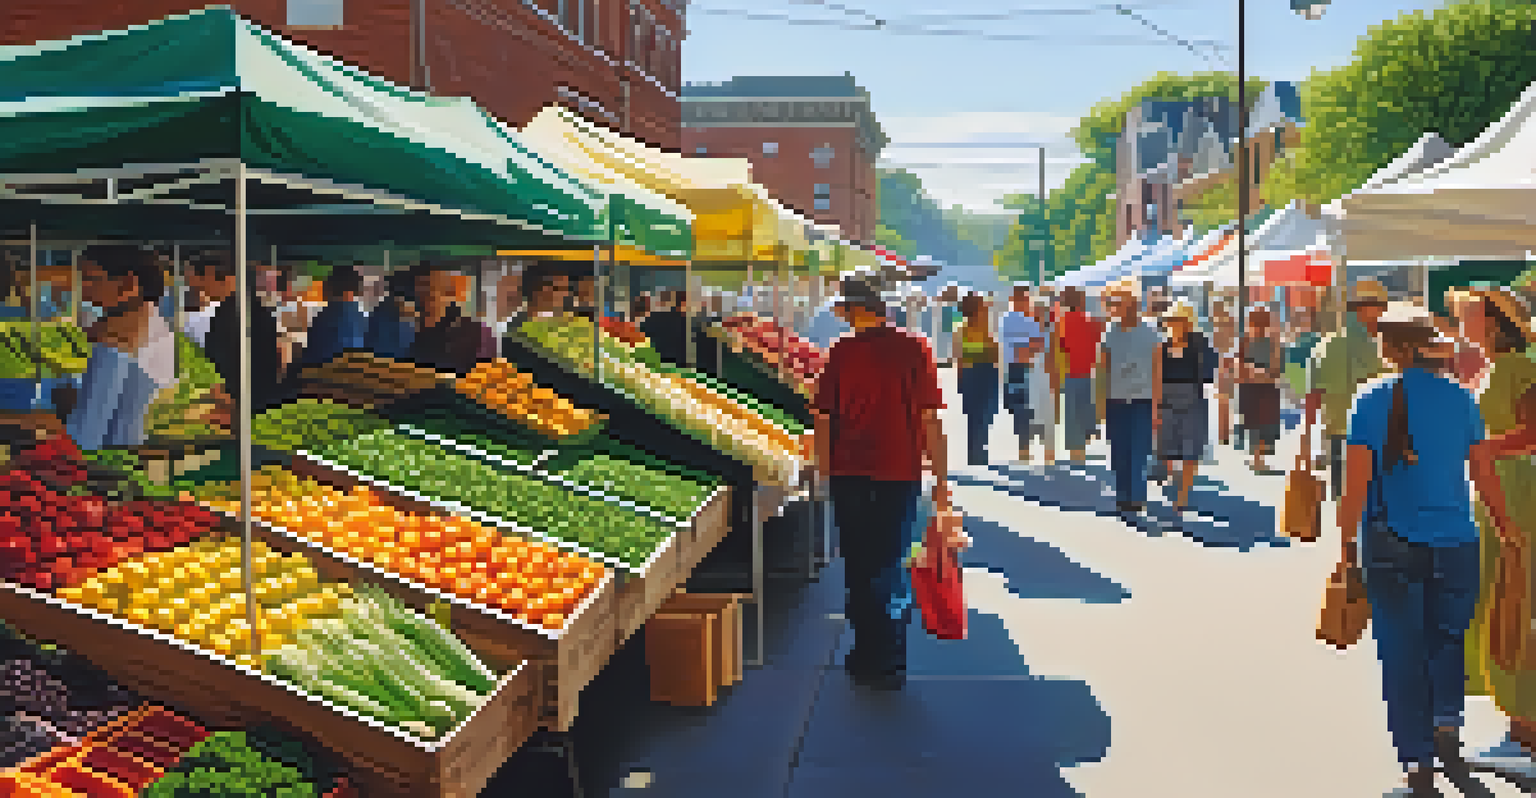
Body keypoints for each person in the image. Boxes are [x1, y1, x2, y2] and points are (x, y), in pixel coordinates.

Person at [1336, 302, 1486, 796]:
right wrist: (1506, 526)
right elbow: (1481, 472)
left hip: (1390, 540)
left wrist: (1345, 551)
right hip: (1457, 541)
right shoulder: (1462, 400)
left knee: (1401, 651)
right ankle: (1446, 728)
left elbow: (1353, 487)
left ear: (1391, 349)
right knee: (1448, 639)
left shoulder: (1371, 398)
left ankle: (1417, 763)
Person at [813, 275, 955, 691]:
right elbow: (930, 418)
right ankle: (890, 658)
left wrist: (823, 472)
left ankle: (865, 652)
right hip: (900, 471)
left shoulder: (840, 353)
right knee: (892, 563)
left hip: (849, 473)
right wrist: (941, 478)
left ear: (855, 310)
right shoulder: (915, 348)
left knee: (858, 563)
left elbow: (823, 420)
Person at [1456, 287, 1536, 760]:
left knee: (1513, 598)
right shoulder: (1494, 368)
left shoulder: (1516, 368)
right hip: (1496, 492)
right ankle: (1517, 726)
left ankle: (1525, 732)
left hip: (1514, 492)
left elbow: (1532, 433)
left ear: (1493, 323)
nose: (1463, 320)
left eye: (1470, 314)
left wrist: (1484, 449)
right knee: (1498, 599)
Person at [66, 246, 178, 449]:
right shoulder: (159, 327)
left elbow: (88, 431)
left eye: (90, 278)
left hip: (114, 459)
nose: (82, 288)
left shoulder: (117, 336)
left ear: (128, 284)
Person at [1305, 279, 1389, 500]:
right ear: (1368, 309)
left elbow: (1313, 397)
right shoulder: (1384, 348)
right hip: (1374, 436)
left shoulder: (1324, 346)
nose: (1384, 313)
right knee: (1373, 503)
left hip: (1337, 435)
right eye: (1382, 306)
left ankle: (1348, 533)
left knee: (1344, 501)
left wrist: (1306, 440)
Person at [1097, 280, 1161, 514]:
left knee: (1139, 450)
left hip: (1142, 401)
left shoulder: (1151, 332)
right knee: (1119, 450)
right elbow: (1102, 369)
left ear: (1132, 305)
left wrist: (1157, 406)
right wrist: (1101, 405)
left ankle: (1136, 496)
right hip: (1116, 400)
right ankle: (1123, 495)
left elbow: (1157, 369)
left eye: (1120, 303)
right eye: (1115, 304)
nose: (1115, 308)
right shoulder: (1110, 332)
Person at [201, 250, 284, 417]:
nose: (202, 286)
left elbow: (218, 362)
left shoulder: (228, 313)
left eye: (204, 278)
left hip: (236, 403)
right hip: (260, 400)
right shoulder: (260, 309)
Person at [1157, 302, 1216, 515]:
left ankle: (1183, 496)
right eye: (1170, 321)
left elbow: (1210, 372)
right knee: (1167, 450)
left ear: (1187, 323)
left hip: (1192, 401)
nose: (1173, 326)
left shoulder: (1199, 345)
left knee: (1191, 451)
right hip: (1167, 401)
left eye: (1177, 321)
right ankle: (1174, 481)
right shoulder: (1162, 347)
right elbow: (1156, 376)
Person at [407, 262, 492, 376]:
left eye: (435, 288)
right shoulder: (410, 326)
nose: (428, 295)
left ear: (450, 292)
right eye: (423, 289)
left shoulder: (470, 328)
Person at [999, 285, 1046, 464]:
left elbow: (1033, 344)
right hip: (1025, 368)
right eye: (1026, 299)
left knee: (1019, 407)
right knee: (1024, 407)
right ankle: (1025, 447)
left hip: (1014, 368)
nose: (1029, 303)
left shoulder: (1007, 319)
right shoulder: (1023, 320)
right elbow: (1038, 343)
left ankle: (1024, 446)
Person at [953, 291, 999, 466]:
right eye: (982, 306)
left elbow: (995, 354)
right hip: (974, 374)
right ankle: (975, 452)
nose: (985, 308)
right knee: (975, 414)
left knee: (986, 413)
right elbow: (959, 358)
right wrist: (960, 379)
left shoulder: (986, 328)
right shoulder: (962, 330)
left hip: (985, 373)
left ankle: (979, 449)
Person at [1058, 287, 1102, 463]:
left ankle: (1077, 454)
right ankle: (1084, 442)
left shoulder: (1062, 322)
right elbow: (1100, 345)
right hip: (1090, 372)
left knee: (1072, 414)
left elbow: (1060, 349)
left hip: (1070, 373)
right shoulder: (1092, 321)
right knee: (1086, 411)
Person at [1238, 306, 1284, 473]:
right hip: (1259, 389)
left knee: (1260, 424)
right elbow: (1240, 368)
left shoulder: (1269, 343)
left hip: (1259, 389)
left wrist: (1254, 373)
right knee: (1258, 424)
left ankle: (1258, 458)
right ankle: (1258, 458)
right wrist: (1262, 374)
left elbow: (1276, 370)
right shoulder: (1269, 343)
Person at [301, 265, 368, 368]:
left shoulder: (323, 318)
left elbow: (311, 356)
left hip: (323, 378)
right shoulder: (363, 319)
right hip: (356, 377)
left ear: (329, 286)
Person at [1027, 297, 1059, 465]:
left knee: (1048, 416)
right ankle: (1029, 453)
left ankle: (1049, 455)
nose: (1039, 314)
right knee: (1032, 415)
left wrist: (1055, 381)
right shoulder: (1029, 331)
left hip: (1046, 377)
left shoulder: (1051, 332)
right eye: (1036, 311)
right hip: (1032, 376)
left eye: (1042, 311)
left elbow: (1054, 357)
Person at [364, 269, 418, 360]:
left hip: (374, 363)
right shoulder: (407, 314)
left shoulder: (378, 309)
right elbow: (407, 345)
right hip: (398, 366)